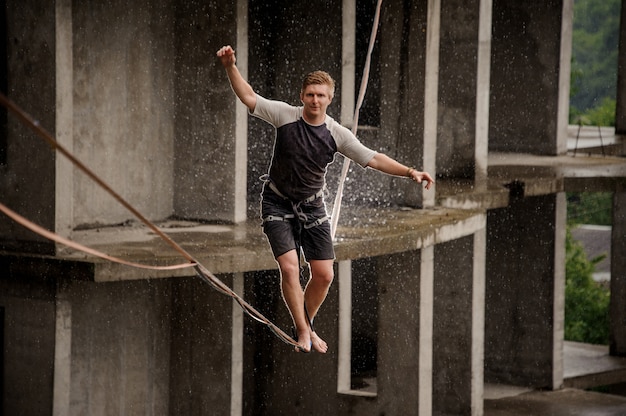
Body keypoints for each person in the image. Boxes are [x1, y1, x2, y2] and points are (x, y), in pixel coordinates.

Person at [217, 45, 434, 353]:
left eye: (321, 95)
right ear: (302, 97)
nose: (315, 100)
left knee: (324, 275)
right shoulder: (285, 116)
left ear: (330, 99)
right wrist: (230, 67)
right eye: (310, 95)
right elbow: (249, 96)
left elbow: (373, 158)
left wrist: (410, 171)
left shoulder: (336, 134)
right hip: (277, 203)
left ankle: (305, 326)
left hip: (312, 207)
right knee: (291, 268)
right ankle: (304, 332)